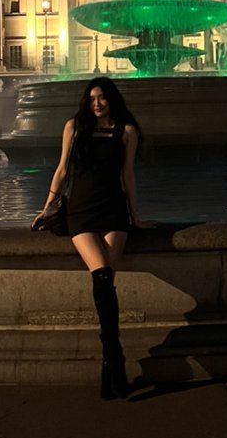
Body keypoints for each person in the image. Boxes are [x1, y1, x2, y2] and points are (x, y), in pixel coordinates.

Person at [33, 77, 152, 401]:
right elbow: (61, 170)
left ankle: (110, 363)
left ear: (112, 99)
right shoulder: (74, 127)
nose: (96, 103)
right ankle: (114, 357)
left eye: (101, 98)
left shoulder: (127, 131)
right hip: (81, 211)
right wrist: (48, 207)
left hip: (113, 210)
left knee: (106, 279)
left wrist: (136, 217)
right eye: (92, 98)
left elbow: (128, 176)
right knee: (101, 275)